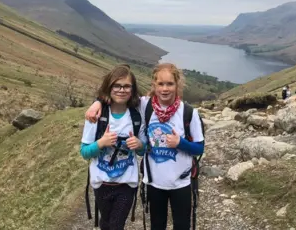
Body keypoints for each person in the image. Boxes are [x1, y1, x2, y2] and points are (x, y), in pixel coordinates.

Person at [85, 63, 205, 230]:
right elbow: (119, 96)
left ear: (177, 85)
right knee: (156, 225)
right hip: (154, 182)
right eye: (160, 84)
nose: (165, 89)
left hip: (181, 182)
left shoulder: (189, 113)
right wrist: (97, 102)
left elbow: (199, 148)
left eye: (170, 84)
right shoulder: (144, 105)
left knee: (182, 225)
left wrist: (180, 143)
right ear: (153, 85)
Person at [80, 64, 146, 230]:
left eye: (126, 86)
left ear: (133, 89)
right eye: (116, 85)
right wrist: (101, 143)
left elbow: (144, 149)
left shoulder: (137, 116)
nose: (121, 90)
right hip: (102, 184)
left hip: (126, 184)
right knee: (106, 222)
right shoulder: (96, 116)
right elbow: (85, 152)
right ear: (109, 87)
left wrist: (139, 144)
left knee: (116, 225)